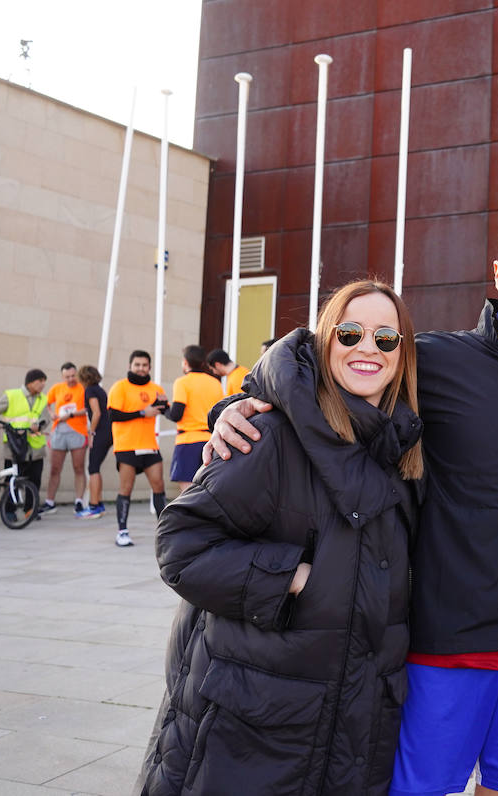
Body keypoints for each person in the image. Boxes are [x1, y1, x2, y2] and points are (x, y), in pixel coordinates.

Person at [208, 211, 498, 796]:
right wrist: (238, 402)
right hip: (444, 646)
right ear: (496, 273)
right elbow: (321, 362)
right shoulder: (436, 359)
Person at [138, 279, 424, 795]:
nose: (367, 348)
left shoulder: (403, 454)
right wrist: (289, 577)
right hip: (251, 729)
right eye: (351, 332)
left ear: (402, 355)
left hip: (353, 726)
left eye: (386, 338)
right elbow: (180, 544)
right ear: (323, 341)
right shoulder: (269, 433)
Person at [107, 350, 168, 547]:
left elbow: (166, 410)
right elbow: (113, 415)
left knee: (159, 486)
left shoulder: (156, 388)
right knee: (126, 488)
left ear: (149, 367)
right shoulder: (120, 387)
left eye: (144, 365)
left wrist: (163, 405)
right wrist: (143, 412)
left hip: (149, 445)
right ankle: (122, 532)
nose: (141, 369)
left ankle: (166, 531)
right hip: (126, 446)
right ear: (130, 366)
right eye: (137, 365)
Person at [0, 368, 51, 500]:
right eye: (40, 381)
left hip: (36, 448)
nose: (43, 384)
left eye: (44, 381)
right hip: (15, 445)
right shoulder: (12, 396)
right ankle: (8, 510)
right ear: (30, 383)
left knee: (35, 480)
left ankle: (30, 509)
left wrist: (40, 425)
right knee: (12, 480)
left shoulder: (43, 399)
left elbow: (46, 418)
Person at [165, 345, 224, 494]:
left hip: (188, 441)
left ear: (185, 362)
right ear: (203, 363)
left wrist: (164, 409)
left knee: (188, 491)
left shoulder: (182, 382)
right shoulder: (215, 383)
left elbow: (176, 414)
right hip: (211, 440)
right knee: (209, 488)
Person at [44, 362, 89, 513]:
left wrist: (71, 415)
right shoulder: (57, 388)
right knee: (55, 468)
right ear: (63, 376)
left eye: (73, 375)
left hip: (77, 430)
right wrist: (51, 414)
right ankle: (49, 502)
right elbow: (47, 403)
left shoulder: (83, 388)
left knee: (78, 467)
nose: (71, 379)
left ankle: (78, 501)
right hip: (59, 431)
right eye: (67, 376)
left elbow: (88, 408)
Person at [78, 365, 111, 519]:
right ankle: (99, 504)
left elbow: (96, 413)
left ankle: (93, 506)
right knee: (95, 468)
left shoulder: (90, 390)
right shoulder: (99, 389)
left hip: (101, 432)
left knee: (92, 468)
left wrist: (91, 432)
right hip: (108, 431)